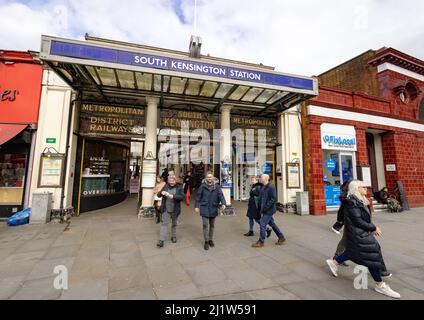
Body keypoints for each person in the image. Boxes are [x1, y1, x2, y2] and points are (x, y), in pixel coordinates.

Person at [326, 180, 400, 299]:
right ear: (356, 188)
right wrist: (373, 227)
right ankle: (380, 284)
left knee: (354, 252)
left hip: (361, 233)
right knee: (371, 256)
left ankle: (334, 262)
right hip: (358, 234)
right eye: (363, 187)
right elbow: (358, 221)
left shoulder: (359, 200)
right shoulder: (352, 203)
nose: (366, 188)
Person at [252, 174, 286, 247]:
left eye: (261, 178)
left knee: (262, 223)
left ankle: (261, 241)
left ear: (266, 179)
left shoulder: (271, 187)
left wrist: (265, 207)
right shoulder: (263, 186)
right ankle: (281, 237)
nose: (260, 178)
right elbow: (260, 196)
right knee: (272, 224)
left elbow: (273, 199)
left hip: (269, 210)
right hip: (264, 209)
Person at [195, 172, 226, 251]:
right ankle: (206, 241)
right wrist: (196, 206)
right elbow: (198, 196)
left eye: (210, 177)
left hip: (213, 207)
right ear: (206, 178)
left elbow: (221, 195)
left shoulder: (217, 186)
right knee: (205, 225)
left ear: (213, 178)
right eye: (208, 177)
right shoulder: (202, 186)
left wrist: (223, 203)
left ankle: (210, 239)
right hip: (204, 207)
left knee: (212, 225)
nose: (209, 178)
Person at [156, 175, 185, 248]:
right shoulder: (165, 186)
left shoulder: (179, 187)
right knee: (164, 224)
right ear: (168, 180)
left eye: (173, 181)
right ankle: (161, 240)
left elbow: (182, 197)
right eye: (170, 181)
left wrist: (174, 196)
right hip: (166, 208)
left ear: (175, 181)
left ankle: (173, 236)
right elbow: (158, 195)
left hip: (175, 209)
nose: (171, 182)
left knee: (174, 224)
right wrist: (161, 193)